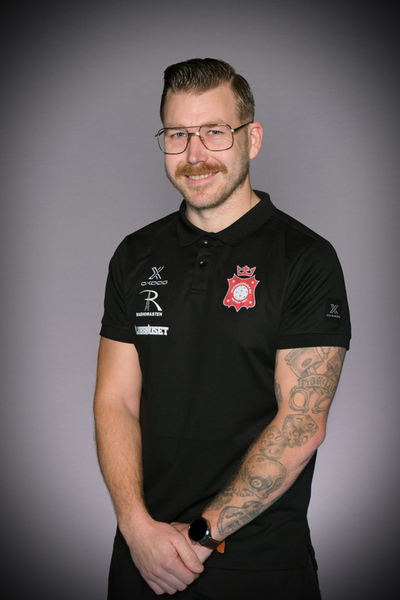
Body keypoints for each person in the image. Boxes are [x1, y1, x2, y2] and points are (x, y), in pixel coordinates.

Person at [94, 58, 351, 600]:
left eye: (214, 131)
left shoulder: (306, 259)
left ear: (251, 139)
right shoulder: (135, 255)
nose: (195, 155)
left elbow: (302, 421)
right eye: (177, 134)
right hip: (143, 558)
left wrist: (202, 536)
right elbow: (114, 402)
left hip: (258, 565)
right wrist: (136, 528)